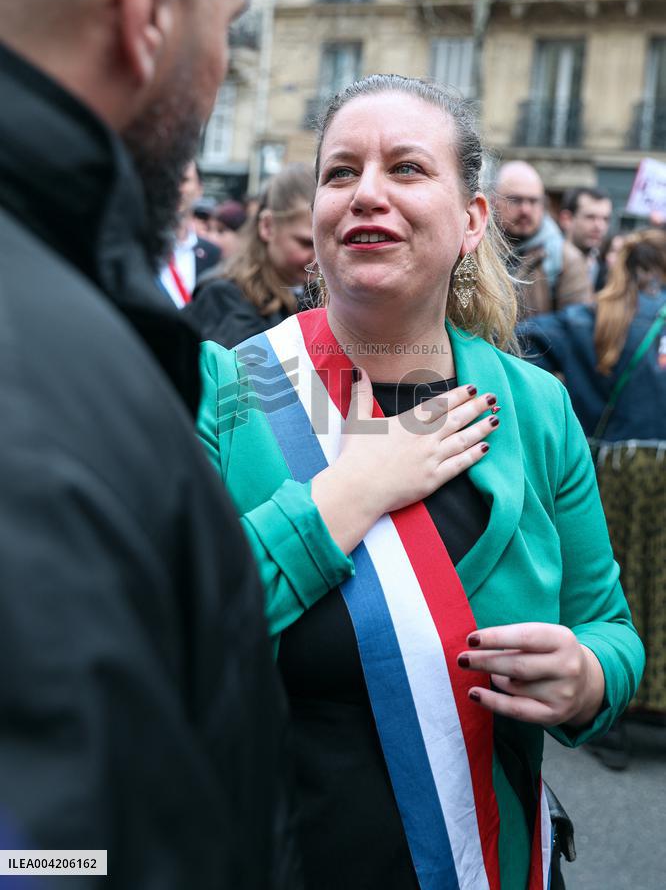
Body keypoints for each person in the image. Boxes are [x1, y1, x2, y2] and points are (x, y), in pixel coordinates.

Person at [197, 75, 644, 890]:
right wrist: (349, 494)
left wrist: (585, 679)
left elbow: (611, 630)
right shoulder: (229, 392)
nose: (367, 193)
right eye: (341, 172)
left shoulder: (538, 408)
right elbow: (165, 632)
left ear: (472, 221)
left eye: (406, 168)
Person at [0, 0, 293, 887]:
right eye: (231, 18)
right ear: (152, 2)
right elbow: (47, 857)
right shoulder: (41, 396)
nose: (219, 66)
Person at [519, 229, 666, 765]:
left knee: (617, 587)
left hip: (622, 471)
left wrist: (566, 403)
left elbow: (525, 337)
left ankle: (614, 714)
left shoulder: (596, 318)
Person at [187, 162, 315, 346]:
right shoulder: (225, 299)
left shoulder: (313, 294)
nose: (317, 259)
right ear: (267, 226)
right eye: (307, 243)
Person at [493, 161, 592, 319]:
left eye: (533, 201)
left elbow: (575, 328)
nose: (525, 209)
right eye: (515, 200)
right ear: (493, 200)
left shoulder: (565, 258)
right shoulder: (475, 248)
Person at [159, 161, 221, 306]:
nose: (177, 188)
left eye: (184, 180)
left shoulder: (212, 255)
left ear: (200, 189)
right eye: (170, 179)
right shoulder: (139, 248)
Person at [559, 186, 613, 288]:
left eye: (605, 219)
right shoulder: (546, 266)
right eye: (590, 217)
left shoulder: (606, 270)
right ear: (566, 219)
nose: (599, 226)